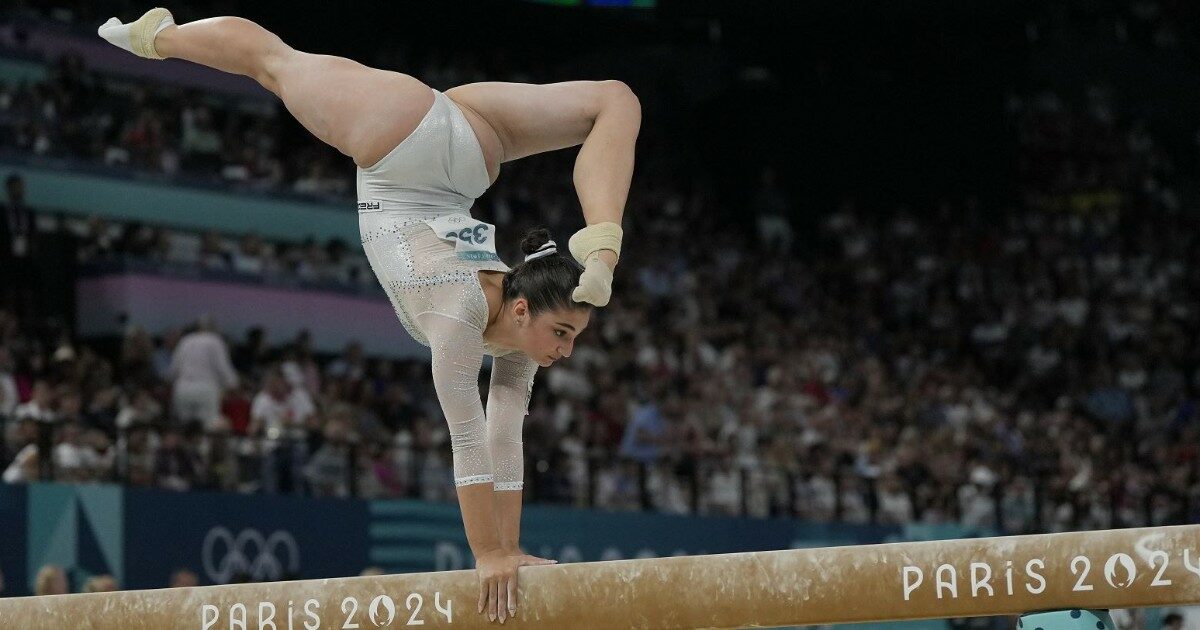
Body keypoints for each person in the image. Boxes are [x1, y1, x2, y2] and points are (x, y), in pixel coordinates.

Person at [100, 8, 640, 624]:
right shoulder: (462, 310)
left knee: (615, 100)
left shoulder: (513, 335)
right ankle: (156, 37)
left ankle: (601, 247)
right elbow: (468, 435)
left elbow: (504, 436)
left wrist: (509, 548)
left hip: (465, 154)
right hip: (397, 146)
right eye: (563, 332)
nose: (566, 351)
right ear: (521, 307)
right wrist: (488, 554)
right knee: (273, 63)